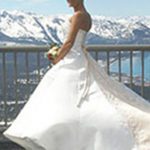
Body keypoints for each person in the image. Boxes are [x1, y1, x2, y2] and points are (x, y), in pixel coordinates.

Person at [3, 0, 150, 149]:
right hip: (79, 56)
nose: (67, 0)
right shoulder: (87, 16)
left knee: (64, 98)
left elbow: (69, 42)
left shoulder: (78, 16)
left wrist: (56, 58)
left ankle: (62, 137)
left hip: (73, 58)